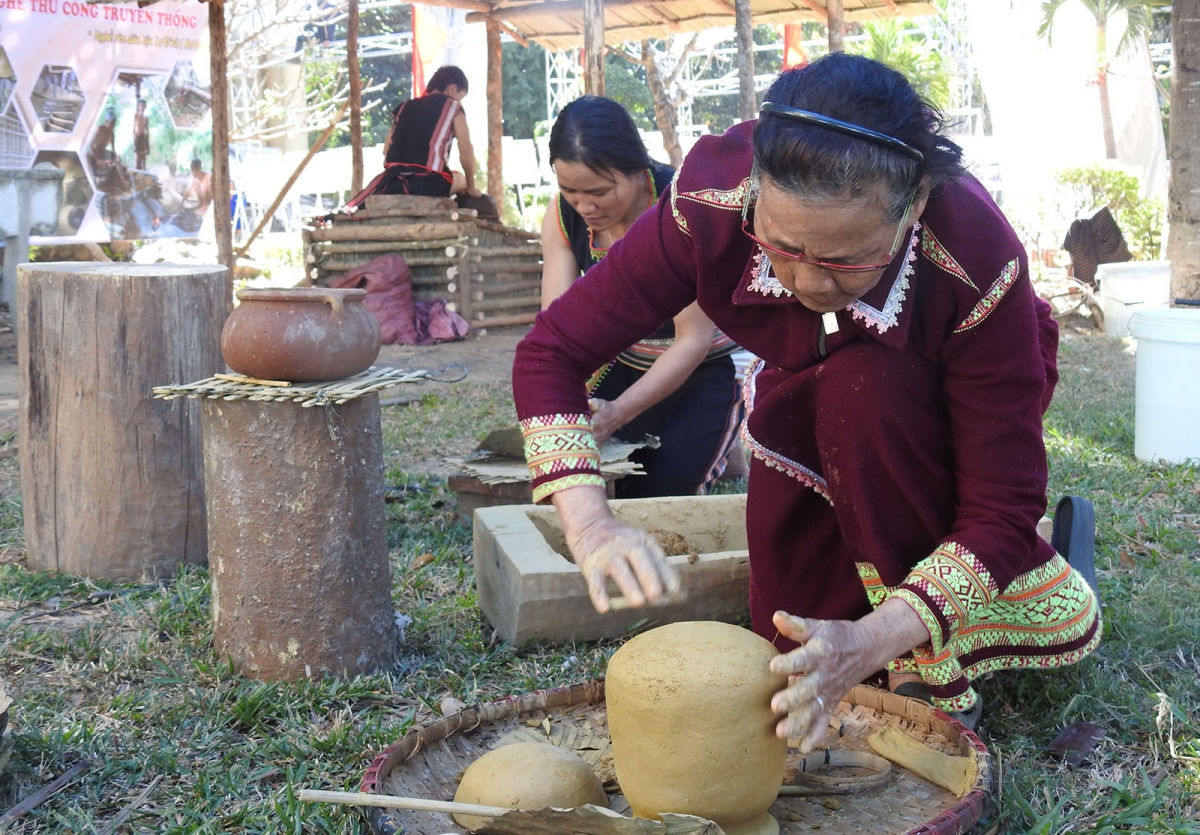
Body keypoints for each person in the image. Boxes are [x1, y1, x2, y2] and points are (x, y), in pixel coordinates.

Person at [512, 54, 1101, 750]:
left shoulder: (976, 259)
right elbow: (552, 350)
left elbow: (1000, 505)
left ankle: (930, 659)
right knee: (789, 623)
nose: (809, 282)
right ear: (754, 191)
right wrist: (590, 526)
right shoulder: (707, 203)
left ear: (911, 207)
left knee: (866, 392)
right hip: (809, 394)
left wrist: (877, 641)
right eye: (782, 247)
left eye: (846, 257)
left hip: (925, 405)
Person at [541, 95, 744, 497]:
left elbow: (692, 340)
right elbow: (559, 328)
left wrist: (616, 414)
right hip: (628, 359)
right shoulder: (564, 217)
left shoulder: (678, 210)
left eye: (598, 191)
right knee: (578, 471)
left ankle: (724, 428)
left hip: (708, 362)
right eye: (570, 190)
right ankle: (721, 447)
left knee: (654, 497)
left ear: (638, 171)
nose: (585, 206)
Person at [345, 66, 482, 209]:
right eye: (460, 98)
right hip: (428, 183)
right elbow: (466, 151)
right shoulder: (453, 107)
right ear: (452, 89)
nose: (459, 101)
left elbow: (386, 150)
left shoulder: (404, 107)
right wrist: (471, 186)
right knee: (460, 180)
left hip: (391, 183)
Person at [133, 98, 150, 170]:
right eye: (140, 105)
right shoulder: (135, 116)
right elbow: (133, 127)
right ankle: (137, 171)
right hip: (137, 137)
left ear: (145, 107)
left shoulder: (146, 118)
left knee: (143, 157)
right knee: (137, 157)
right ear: (138, 106)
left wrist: (147, 140)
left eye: (143, 106)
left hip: (143, 138)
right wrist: (134, 136)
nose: (141, 107)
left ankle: (143, 172)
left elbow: (147, 129)